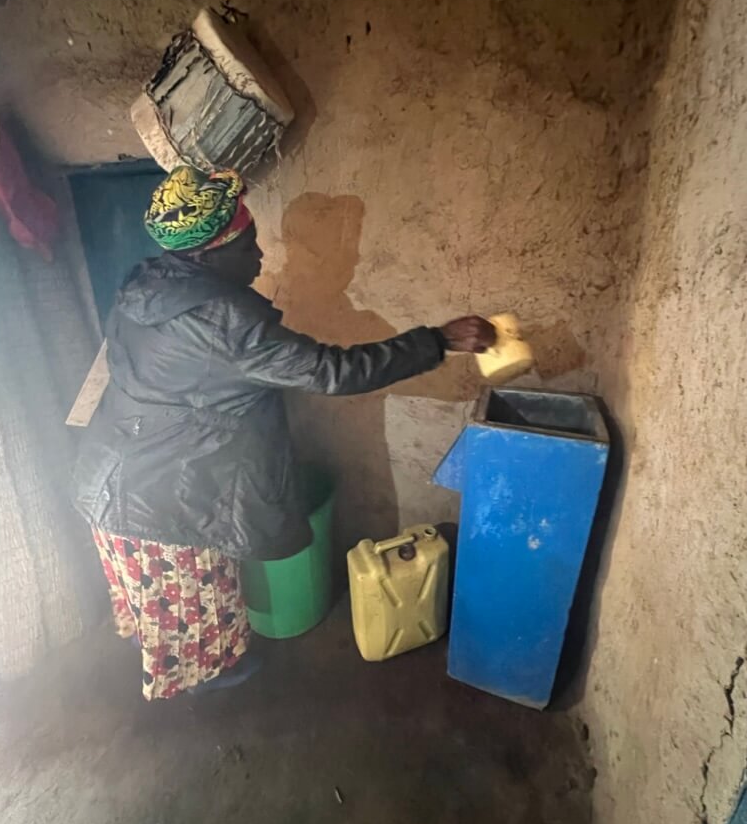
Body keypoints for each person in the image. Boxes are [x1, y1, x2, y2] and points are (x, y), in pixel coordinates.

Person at [73, 166, 495, 700]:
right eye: (249, 244)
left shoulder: (146, 284)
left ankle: (209, 666)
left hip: (112, 470)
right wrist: (438, 340)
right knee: (191, 606)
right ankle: (212, 683)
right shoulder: (224, 320)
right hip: (160, 498)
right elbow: (333, 371)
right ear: (206, 255)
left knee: (157, 598)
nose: (262, 256)